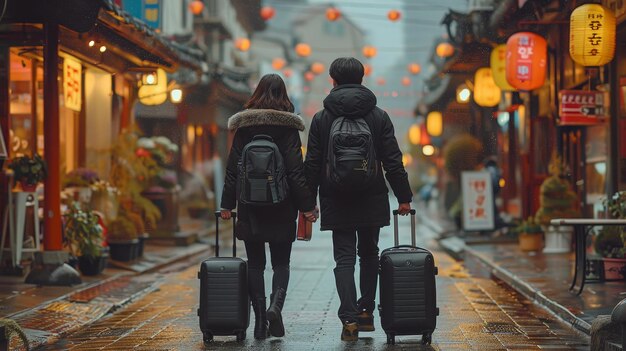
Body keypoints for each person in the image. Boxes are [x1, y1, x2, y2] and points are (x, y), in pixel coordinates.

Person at [304, 57, 413, 341]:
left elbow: (313, 164)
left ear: (333, 80)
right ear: (362, 79)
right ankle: (366, 312)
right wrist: (403, 197)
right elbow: (392, 159)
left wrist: (308, 203)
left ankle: (349, 319)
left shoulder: (322, 118)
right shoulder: (378, 116)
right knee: (369, 254)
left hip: (335, 196)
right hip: (371, 195)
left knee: (343, 259)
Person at [220, 74, 317, 340]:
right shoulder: (288, 128)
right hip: (281, 203)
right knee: (281, 263)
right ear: (283, 95)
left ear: (257, 93)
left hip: (249, 205)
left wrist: (226, 205)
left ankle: (261, 321)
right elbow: (296, 172)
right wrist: (308, 207)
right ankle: (277, 306)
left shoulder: (244, 125)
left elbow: (232, 170)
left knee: (255, 264)